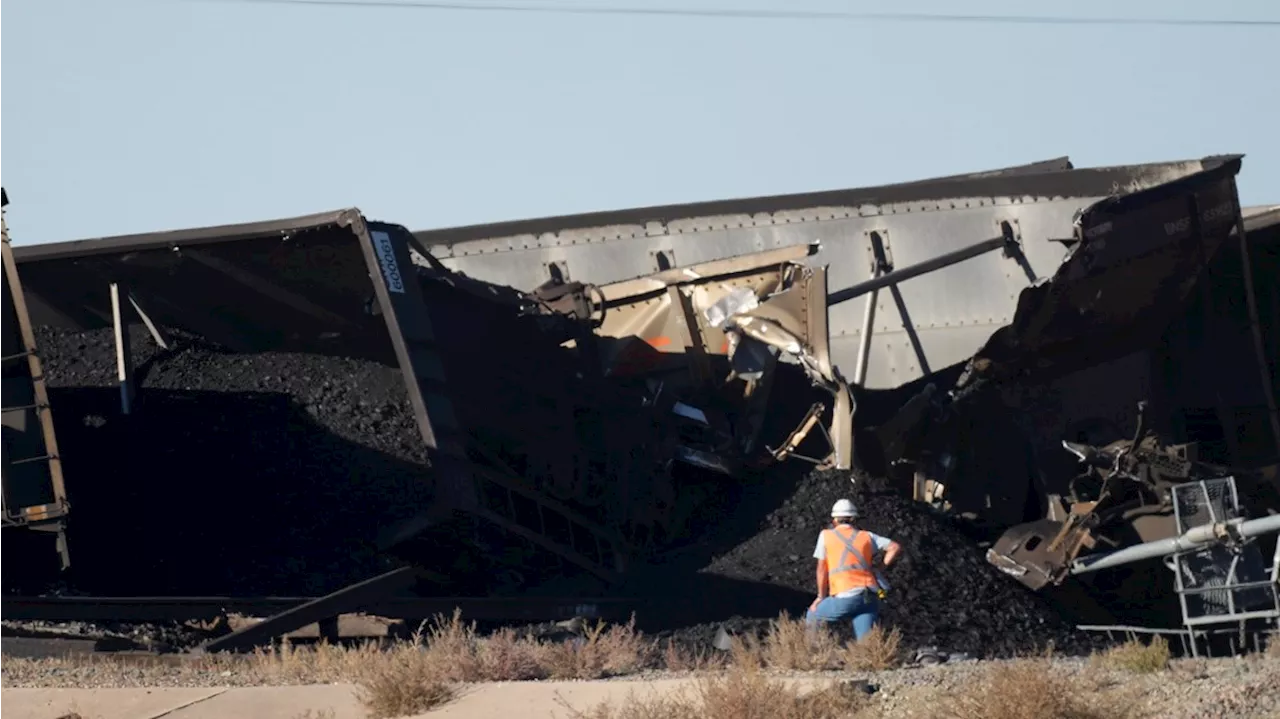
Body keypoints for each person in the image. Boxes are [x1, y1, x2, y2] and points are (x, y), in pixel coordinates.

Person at [805, 498, 901, 641]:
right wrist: (880, 567)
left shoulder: (826, 536)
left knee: (813, 615)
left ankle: (810, 655)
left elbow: (821, 569)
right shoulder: (867, 536)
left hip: (846, 594)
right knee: (865, 644)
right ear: (854, 519)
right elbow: (894, 547)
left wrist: (821, 597)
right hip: (870, 596)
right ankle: (869, 658)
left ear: (834, 520)